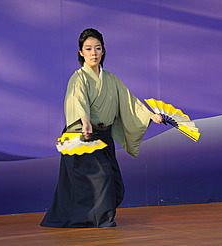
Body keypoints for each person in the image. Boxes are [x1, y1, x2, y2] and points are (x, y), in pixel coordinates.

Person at [40, 28, 162, 228]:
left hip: (103, 137)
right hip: (81, 136)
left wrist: (150, 115)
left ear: (103, 51)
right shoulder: (78, 78)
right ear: (81, 53)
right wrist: (85, 121)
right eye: (88, 49)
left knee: (114, 181)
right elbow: (77, 101)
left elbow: (129, 102)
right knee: (100, 176)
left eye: (97, 48)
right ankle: (103, 220)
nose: (93, 53)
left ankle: (91, 217)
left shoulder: (112, 79)